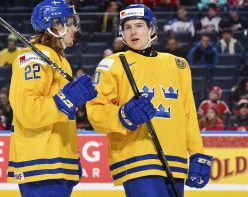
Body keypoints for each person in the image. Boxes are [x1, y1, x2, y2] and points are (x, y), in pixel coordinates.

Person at [87, 4, 213, 197]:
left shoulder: (178, 65)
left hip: (175, 160)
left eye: (139, 25)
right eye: (127, 27)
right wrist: (122, 115)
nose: (133, 31)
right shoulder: (111, 64)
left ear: (152, 29)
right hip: (137, 158)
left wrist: (197, 152)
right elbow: (95, 112)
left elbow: (187, 113)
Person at [7, 1, 97, 197]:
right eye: (71, 22)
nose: (75, 28)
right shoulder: (34, 57)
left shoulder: (60, 59)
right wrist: (66, 99)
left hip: (56, 160)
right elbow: (29, 111)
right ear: (56, 24)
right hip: (40, 162)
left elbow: (61, 116)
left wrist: (71, 156)